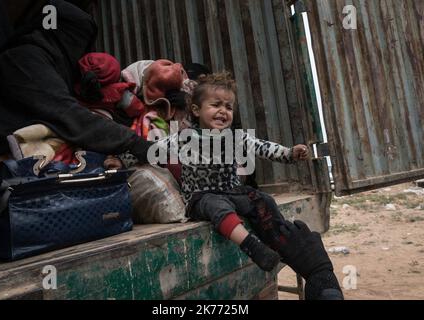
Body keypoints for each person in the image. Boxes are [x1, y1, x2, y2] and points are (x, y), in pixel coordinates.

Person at [119, 71, 343, 300]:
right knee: (216, 206)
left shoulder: (236, 137)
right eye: (215, 104)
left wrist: (289, 153)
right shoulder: (184, 138)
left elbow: (263, 147)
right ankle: (251, 246)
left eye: (228, 106)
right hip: (201, 196)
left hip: (232, 191)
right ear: (196, 110)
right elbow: (151, 150)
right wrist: (121, 159)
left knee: (262, 200)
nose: (223, 111)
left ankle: (280, 241)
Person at [0, 0, 153, 262]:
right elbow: (72, 118)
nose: (80, 53)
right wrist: (137, 144)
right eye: (76, 41)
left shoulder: (45, 60)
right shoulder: (23, 59)